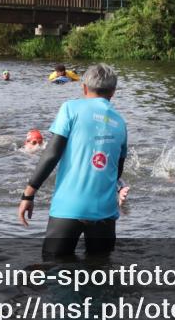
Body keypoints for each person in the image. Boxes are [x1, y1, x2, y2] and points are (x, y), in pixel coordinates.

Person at [17, 64, 130, 257]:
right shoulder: (120, 122)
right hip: (104, 212)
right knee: (100, 272)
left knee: (54, 267)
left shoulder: (70, 108)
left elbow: (52, 154)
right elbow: (116, 171)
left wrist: (28, 195)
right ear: (113, 92)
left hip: (68, 208)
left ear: (84, 88)